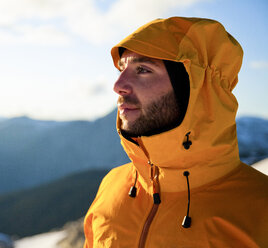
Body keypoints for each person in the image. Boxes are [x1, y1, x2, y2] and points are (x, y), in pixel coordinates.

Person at [83, 16, 268, 247]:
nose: (118, 84)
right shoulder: (111, 187)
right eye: (122, 68)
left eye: (142, 69)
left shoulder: (260, 211)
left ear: (197, 90)